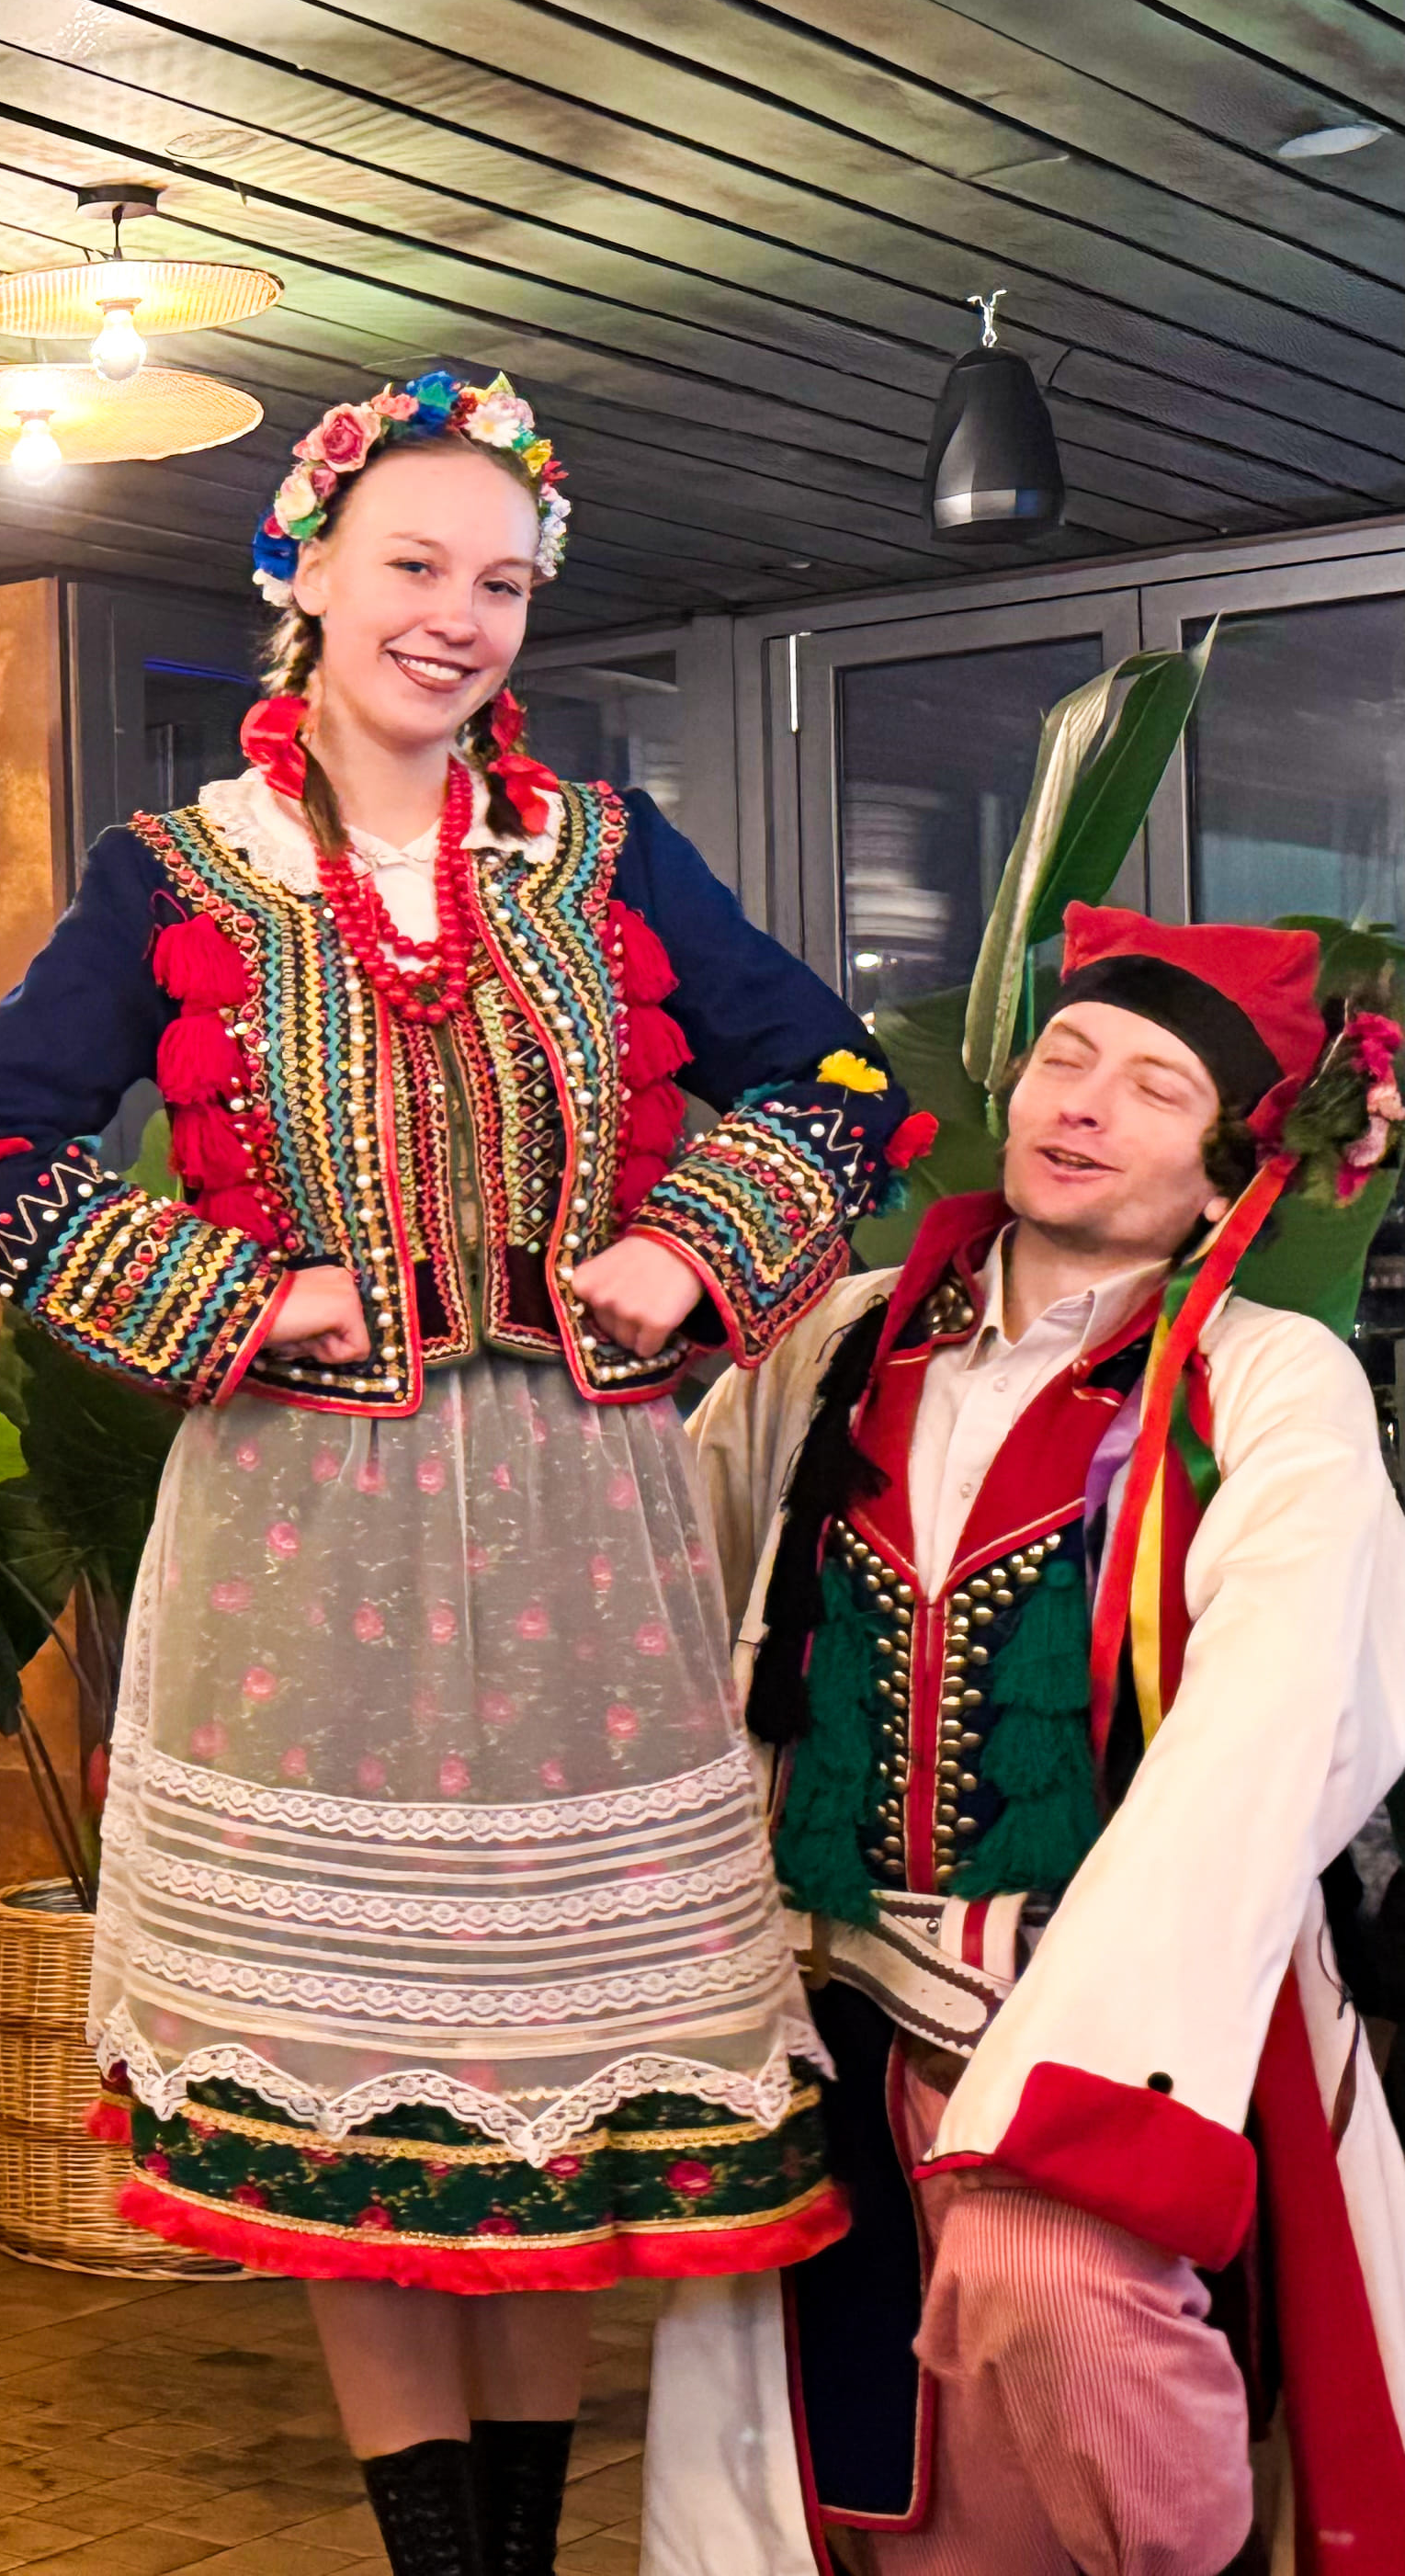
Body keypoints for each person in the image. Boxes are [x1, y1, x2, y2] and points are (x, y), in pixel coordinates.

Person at [0, 372, 912, 2576]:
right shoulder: (174, 874)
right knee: (352, 2082)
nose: (458, 615)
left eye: (503, 584)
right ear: (308, 575)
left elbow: (837, 1083)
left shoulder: (607, 856)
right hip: (303, 1541)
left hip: (583, 1531)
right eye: (416, 566)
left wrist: (682, 1250)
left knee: (552, 2083)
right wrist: (244, 1299)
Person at [645, 908, 1405, 2576]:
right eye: (1068, 1057)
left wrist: (1082, 2065)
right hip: (828, 2010)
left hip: (1126, 2005)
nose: (1086, 1102)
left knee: (1061, 2316)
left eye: (1153, 1087)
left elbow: (1280, 1721)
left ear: (1226, 1169)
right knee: (871, 2475)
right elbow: (670, 1603)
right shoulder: (838, 1342)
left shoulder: (1269, 1383)